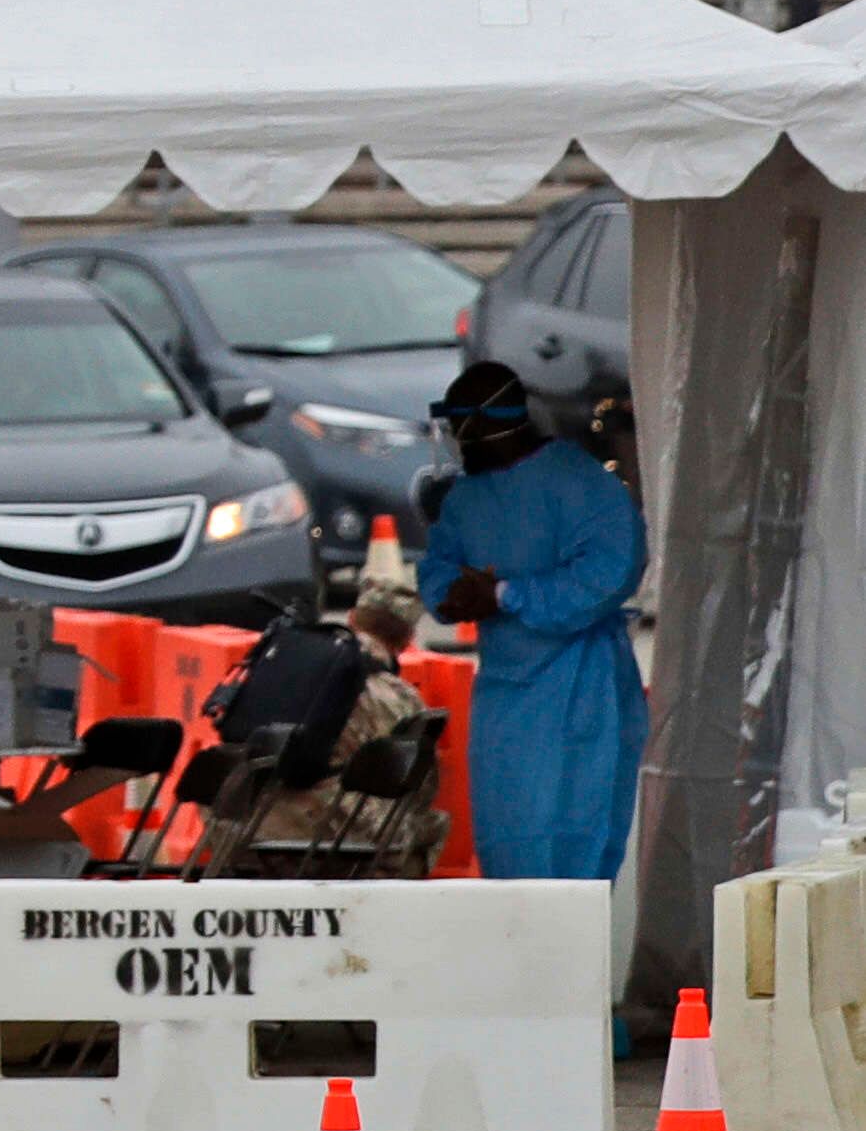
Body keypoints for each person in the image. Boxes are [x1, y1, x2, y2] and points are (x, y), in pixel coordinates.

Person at [413, 357, 644, 884]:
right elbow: (440, 566)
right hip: (506, 697)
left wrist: (505, 594)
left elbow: (609, 574)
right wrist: (454, 596)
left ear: (483, 425)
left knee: (572, 843)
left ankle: (571, 964)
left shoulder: (583, 487)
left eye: (456, 429)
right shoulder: (469, 497)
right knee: (509, 836)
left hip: (581, 691)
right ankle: (521, 957)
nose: (453, 442)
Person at [248, 582, 443, 876]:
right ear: (408, 639)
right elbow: (420, 787)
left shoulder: (283, 662)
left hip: (244, 821)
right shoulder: (399, 697)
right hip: (331, 832)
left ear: (351, 618)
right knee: (433, 823)